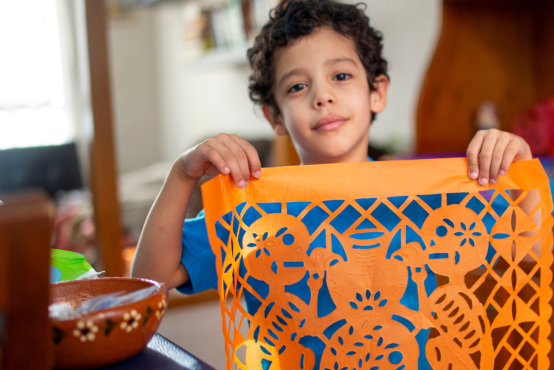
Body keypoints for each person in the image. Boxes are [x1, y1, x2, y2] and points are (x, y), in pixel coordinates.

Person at [131, 0, 532, 293]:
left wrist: (521, 164)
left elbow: (528, 250)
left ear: (377, 93)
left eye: (340, 75)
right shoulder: (257, 213)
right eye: (298, 86)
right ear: (275, 117)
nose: (322, 97)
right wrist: (181, 175)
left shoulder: (425, 196)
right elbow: (149, 282)